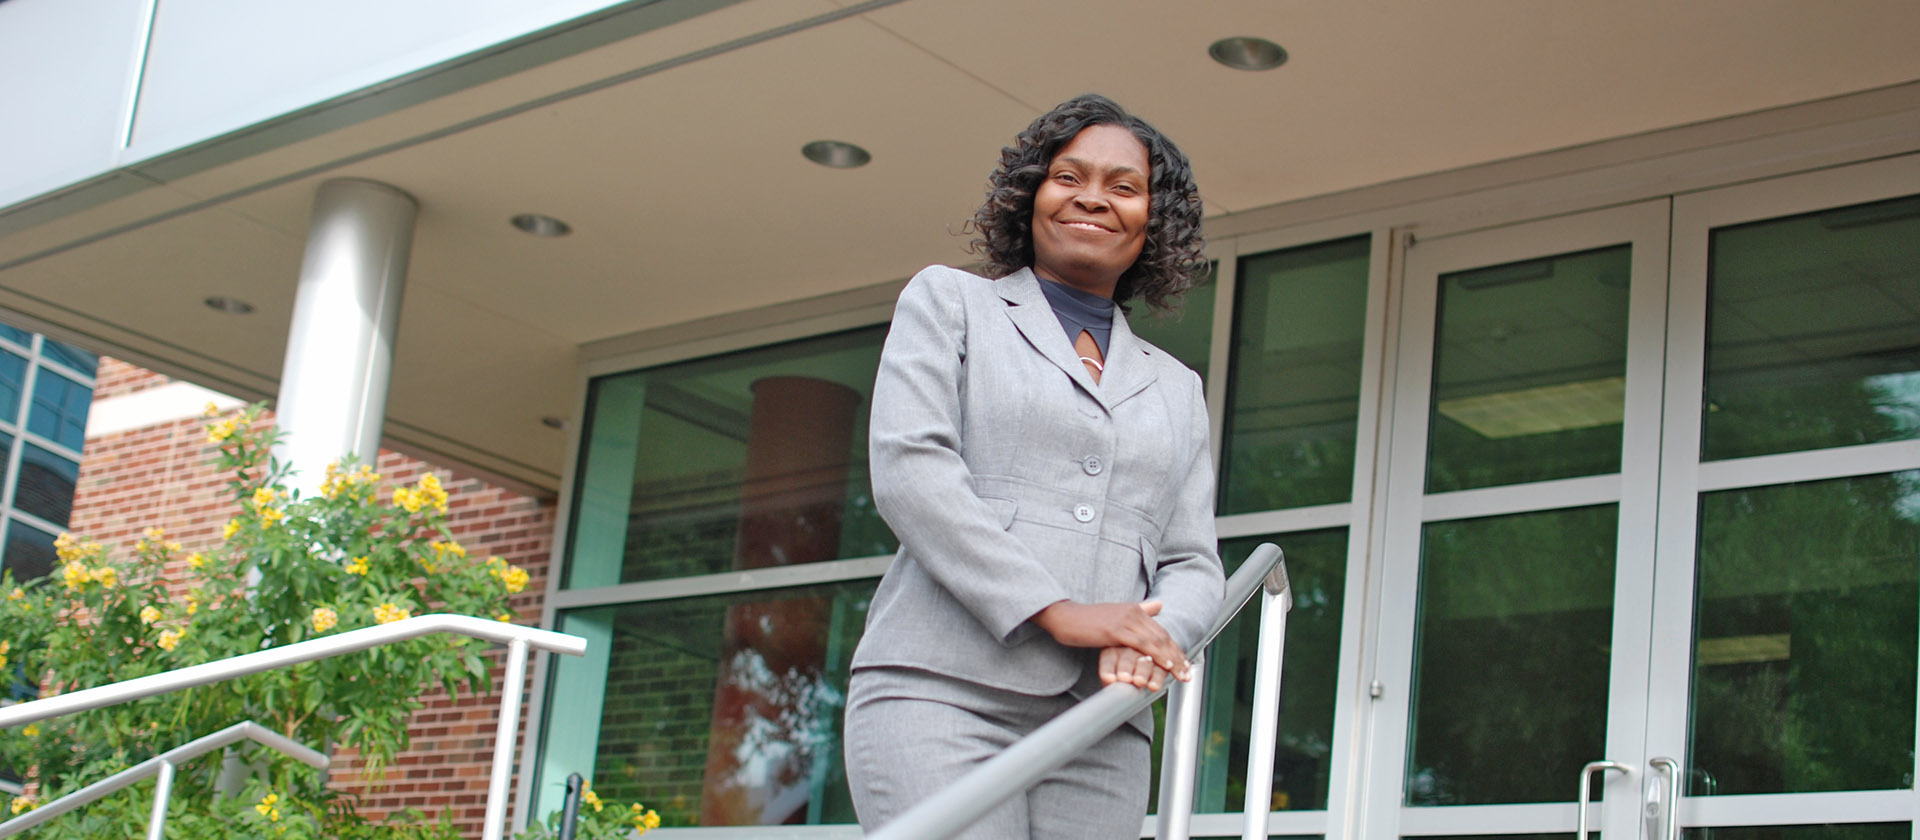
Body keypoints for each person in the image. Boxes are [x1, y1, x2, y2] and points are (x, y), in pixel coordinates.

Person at [843, 93, 1224, 839]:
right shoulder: (950, 303)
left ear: (1155, 221)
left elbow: (1193, 562)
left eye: (1124, 186)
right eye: (1068, 176)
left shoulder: (1178, 389)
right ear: (1031, 196)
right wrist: (1061, 613)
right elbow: (910, 469)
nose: (1092, 197)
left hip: (1099, 725)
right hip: (939, 694)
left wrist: (1154, 638)